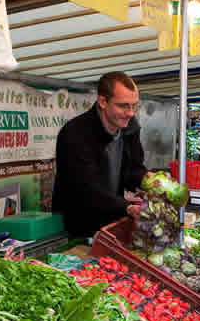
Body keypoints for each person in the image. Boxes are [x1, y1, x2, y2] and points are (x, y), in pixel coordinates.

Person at [53, 72, 147, 238]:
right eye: (123, 105)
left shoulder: (130, 128)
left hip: (111, 222)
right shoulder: (75, 134)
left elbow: (133, 170)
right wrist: (127, 207)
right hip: (79, 227)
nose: (131, 113)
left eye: (134, 106)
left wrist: (150, 181)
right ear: (103, 101)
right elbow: (86, 188)